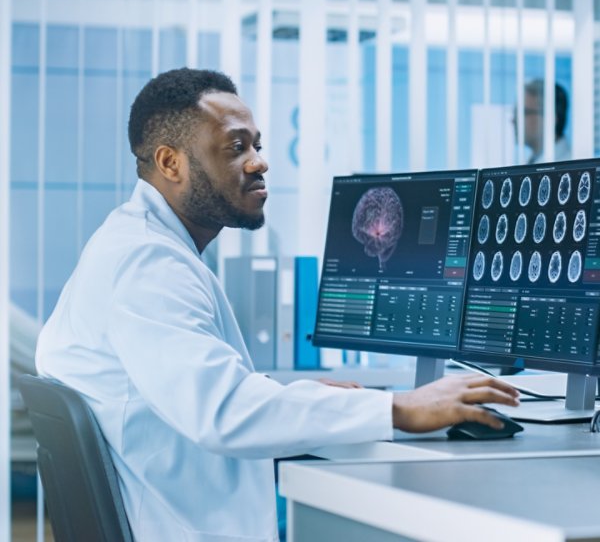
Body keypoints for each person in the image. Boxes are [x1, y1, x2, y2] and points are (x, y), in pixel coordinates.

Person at [36, 68, 519, 542]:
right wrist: (399, 407)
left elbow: (189, 385)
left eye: (257, 145)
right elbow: (222, 411)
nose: (259, 162)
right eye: (235, 147)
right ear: (170, 163)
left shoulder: (139, 244)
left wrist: (288, 394)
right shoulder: (147, 264)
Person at [517, 79, 570, 164]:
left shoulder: (569, 164)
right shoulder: (533, 160)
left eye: (525, 112)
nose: (514, 119)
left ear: (550, 119)